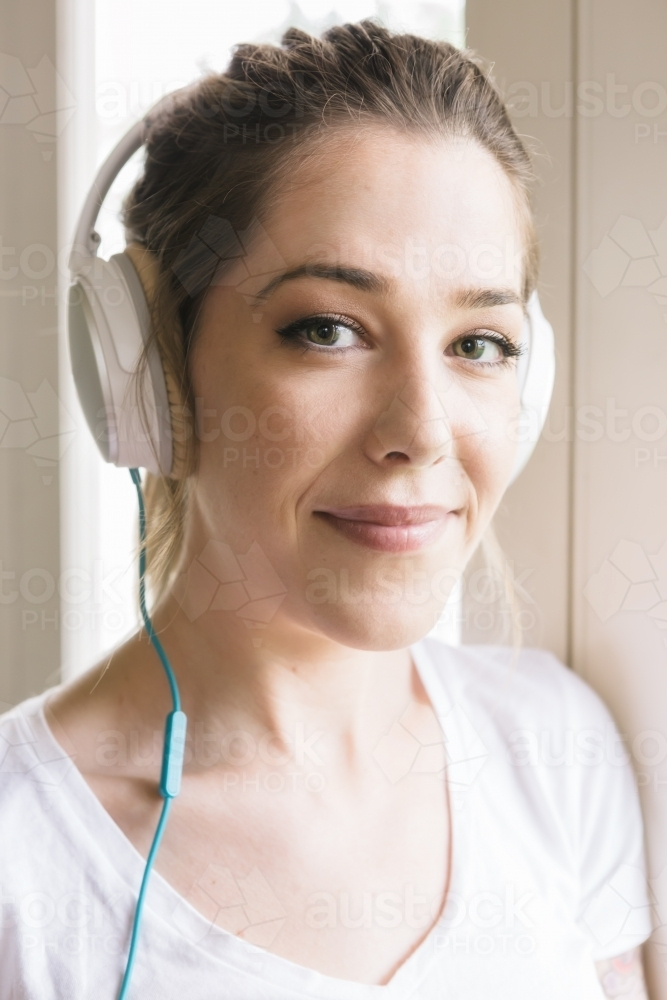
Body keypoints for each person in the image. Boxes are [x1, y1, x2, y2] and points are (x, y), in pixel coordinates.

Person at [0, 20, 653, 999]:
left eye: (479, 342)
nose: (421, 430)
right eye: (329, 329)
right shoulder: (22, 866)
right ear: (146, 371)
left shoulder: (554, 751)